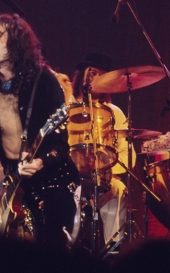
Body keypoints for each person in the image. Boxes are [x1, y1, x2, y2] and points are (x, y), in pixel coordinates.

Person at [0, 14, 79, 250]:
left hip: (54, 183)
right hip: (15, 186)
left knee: (51, 255)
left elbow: (61, 146)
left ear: (17, 43)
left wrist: (39, 162)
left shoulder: (45, 82)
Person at [66, 52, 136, 249]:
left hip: (101, 179)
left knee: (119, 190)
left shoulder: (114, 112)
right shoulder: (65, 103)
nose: (97, 79)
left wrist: (108, 172)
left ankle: (112, 251)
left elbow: (127, 155)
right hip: (68, 178)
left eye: (103, 76)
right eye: (93, 73)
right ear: (82, 75)